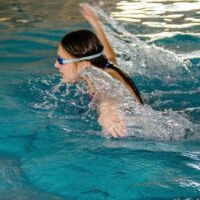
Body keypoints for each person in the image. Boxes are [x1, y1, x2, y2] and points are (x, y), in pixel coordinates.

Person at [54, 3, 143, 138]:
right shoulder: (104, 66)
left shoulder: (103, 80)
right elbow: (111, 57)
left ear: (83, 64)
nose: (56, 65)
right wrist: (96, 24)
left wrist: (108, 114)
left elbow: (107, 97)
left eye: (61, 60)